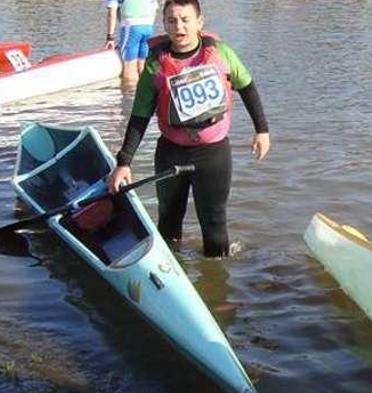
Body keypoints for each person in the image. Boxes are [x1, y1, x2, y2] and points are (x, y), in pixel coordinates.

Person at [107, 0, 270, 257]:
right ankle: (170, 275)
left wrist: (262, 131)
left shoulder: (222, 54)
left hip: (213, 154)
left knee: (215, 225)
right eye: (171, 21)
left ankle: (216, 288)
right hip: (171, 152)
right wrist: (123, 162)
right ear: (164, 24)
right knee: (169, 222)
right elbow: (139, 115)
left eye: (185, 19)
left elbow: (247, 87)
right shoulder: (155, 64)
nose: (178, 27)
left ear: (199, 22)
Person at [103, 0, 159, 84]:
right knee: (142, 62)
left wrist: (110, 38)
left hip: (131, 26)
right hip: (148, 26)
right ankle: (145, 89)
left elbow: (112, 13)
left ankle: (130, 93)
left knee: (130, 65)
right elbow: (155, 9)